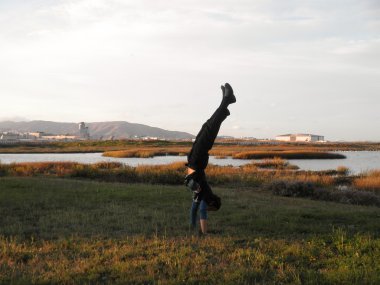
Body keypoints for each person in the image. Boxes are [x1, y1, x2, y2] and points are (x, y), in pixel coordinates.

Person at [185, 83, 236, 235]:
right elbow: (201, 210)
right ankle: (226, 100)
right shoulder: (206, 195)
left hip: (195, 159)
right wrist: (204, 232)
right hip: (197, 159)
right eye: (210, 207)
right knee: (210, 127)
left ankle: (227, 100)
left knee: (208, 126)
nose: (206, 208)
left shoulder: (202, 195)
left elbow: (196, 209)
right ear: (212, 204)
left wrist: (193, 226)